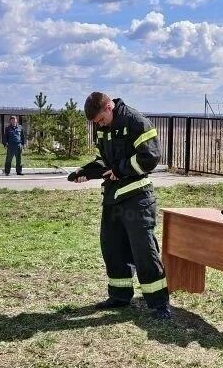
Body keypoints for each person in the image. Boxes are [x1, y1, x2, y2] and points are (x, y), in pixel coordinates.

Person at [69, 92, 171, 320]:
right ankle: (120, 296)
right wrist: (85, 171)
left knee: (144, 250)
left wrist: (120, 170)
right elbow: (104, 161)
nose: (99, 125)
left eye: (100, 120)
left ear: (109, 107)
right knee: (111, 247)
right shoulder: (104, 127)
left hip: (137, 197)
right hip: (113, 197)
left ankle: (159, 304)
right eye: (96, 123)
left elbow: (150, 157)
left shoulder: (136, 122)